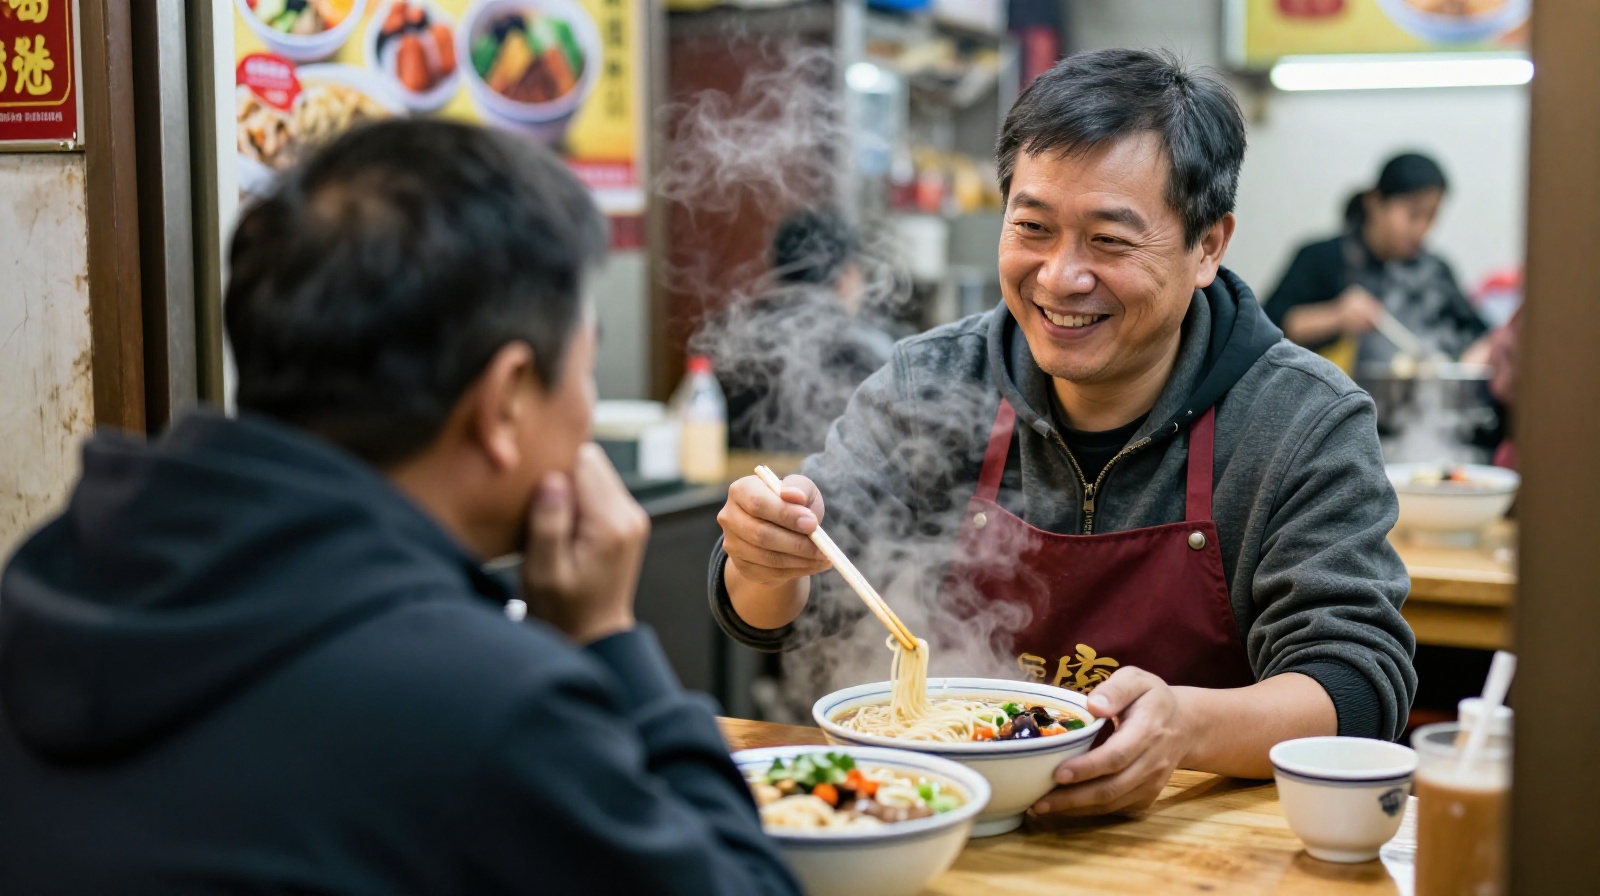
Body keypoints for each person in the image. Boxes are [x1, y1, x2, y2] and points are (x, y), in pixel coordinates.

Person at [0, 121, 799, 895]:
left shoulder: (54, 575)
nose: (587, 417)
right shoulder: (490, 706)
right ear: (505, 402)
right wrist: (606, 638)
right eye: (584, 377)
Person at [708, 49, 1416, 817]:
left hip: (1192, 851)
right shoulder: (931, 383)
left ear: (1208, 245)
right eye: (1034, 228)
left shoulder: (1300, 419)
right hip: (943, 828)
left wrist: (1188, 727)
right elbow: (774, 613)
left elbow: (1356, 684)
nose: (1059, 277)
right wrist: (767, 560)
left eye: (1109, 241)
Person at [1265, 152, 1489, 373]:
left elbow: (1479, 334)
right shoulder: (1323, 257)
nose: (1421, 229)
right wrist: (1336, 316)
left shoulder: (1435, 271)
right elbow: (1269, 329)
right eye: (1413, 215)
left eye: (1430, 217)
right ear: (1375, 203)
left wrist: (1470, 362)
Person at [710, 208, 904, 454]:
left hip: (744, 484)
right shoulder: (864, 343)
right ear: (847, 275)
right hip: (827, 487)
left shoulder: (736, 330)